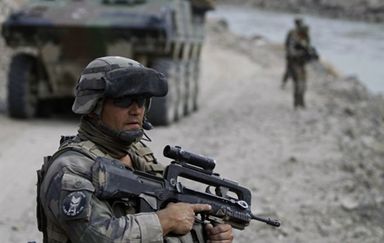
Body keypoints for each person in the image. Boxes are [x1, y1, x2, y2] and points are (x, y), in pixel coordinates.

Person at [37, 56, 234, 243]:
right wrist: (164, 221)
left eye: (141, 100)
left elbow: (165, 228)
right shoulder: (70, 169)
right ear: (92, 107)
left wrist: (206, 235)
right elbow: (99, 237)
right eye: (123, 100)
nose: (136, 110)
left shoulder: (139, 154)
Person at [281, 18, 317, 109]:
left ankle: (301, 102)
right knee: (298, 82)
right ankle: (297, 103)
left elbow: (307, 48)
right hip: (293, 62)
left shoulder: (305, 37)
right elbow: (290, 51)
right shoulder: (293, 35)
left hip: (301, 63)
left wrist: (310, 54)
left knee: (303, 84)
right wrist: (301, 53)